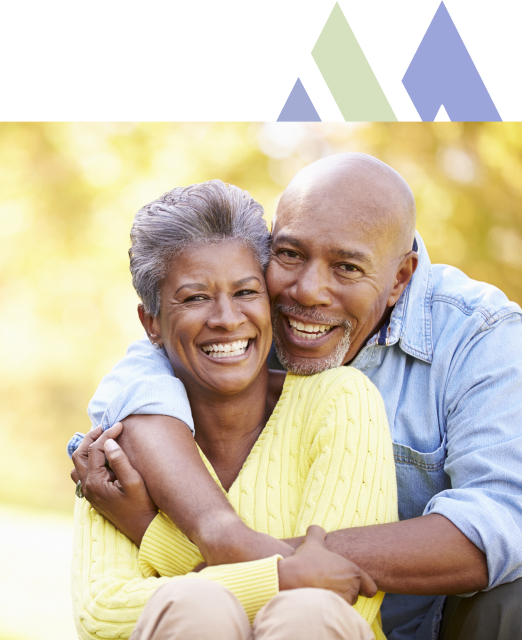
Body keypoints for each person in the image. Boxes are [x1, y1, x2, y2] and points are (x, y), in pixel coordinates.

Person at [72, 153, 522, 640]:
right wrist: (247, 555)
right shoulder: (218, 338)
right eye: (289, 255)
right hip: (225, 619)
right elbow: (144, 373)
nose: (307, 291)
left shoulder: (479, 337)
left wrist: (168, 534)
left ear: (399, 279)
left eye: (347, 267)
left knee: (512, 598)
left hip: (422, 619)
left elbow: (500, 522)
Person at [70, 179, 399, 640]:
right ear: (151, 323)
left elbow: (341, 598)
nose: (226, 318)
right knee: (194, 607)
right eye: (195, 297)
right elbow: (104, 613)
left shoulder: (340, 400)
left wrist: (150, 531)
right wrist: (282, 578)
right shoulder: (121, 441)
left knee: (304, 613)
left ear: (269, 299)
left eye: (246, 292)